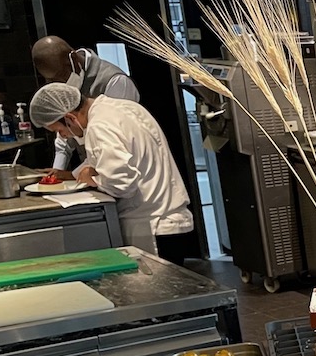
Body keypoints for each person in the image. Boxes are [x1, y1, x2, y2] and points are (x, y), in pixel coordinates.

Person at [29, 82, 193, 262]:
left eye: (59, 130)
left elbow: (122, 185)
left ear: (69, 118)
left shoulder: (99, 127)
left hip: (152, 227)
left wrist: (93, 180)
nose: (63, 136)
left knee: (160, 288)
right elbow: (106, 159)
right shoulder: (122, 107)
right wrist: (73, 174)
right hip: (171, 219)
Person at [31, 37, 139, 173]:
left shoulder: (114, 81)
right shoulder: (62, 85)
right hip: (96, 173)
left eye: (61, 76)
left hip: (124, 168)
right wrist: (56, 173)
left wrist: (75, 175)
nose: (60, 83)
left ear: (73, 59)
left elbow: (115, 140)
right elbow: (63, 135)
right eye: (52, 80)